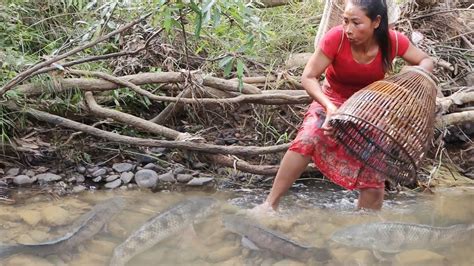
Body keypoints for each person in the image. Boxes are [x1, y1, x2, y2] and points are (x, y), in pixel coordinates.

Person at [257, 0, 434, 212]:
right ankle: (269, 205)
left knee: (374, 165)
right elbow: (309, 77)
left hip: (370, 106)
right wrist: (329, 107)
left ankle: (363, 227)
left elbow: (425, 60)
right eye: (345, 21)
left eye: (356, 23)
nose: (348, 29)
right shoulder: (336, 38)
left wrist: (410, 78)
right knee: (308, 138)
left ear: (376, 22)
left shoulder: (392, 41)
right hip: (333, 98)